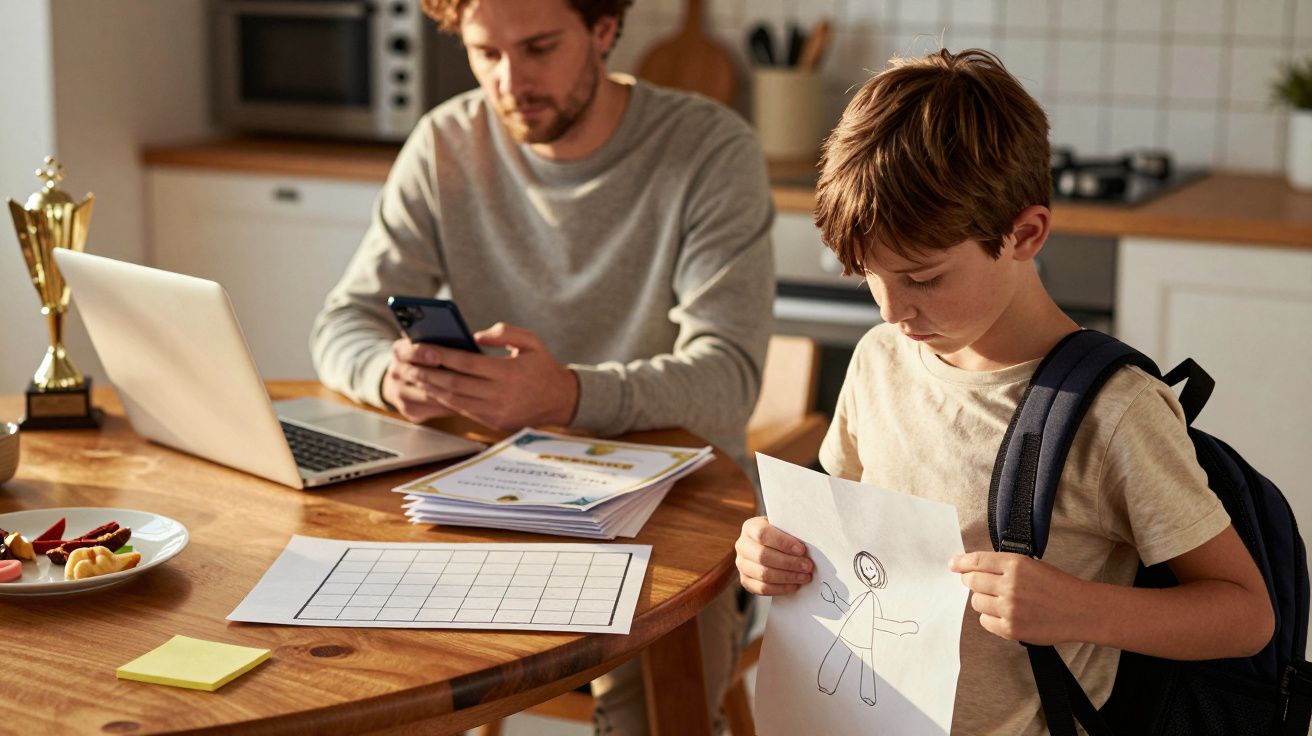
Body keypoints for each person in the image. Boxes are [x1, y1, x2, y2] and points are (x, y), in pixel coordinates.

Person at [733, 48, 1274, 734]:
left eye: (923, 278)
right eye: (868, 274)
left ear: (1025, 234)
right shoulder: (879, 359)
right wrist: (773, 551)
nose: (892, 311)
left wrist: (1079, 609)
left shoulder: (1116, 415)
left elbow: (1245, 616)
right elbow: (835, 530)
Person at [310, 0, 774, 731]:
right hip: (484, 503)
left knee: (649, 711)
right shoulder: (446, 142)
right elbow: (343, 322)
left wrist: (568, 395)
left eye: (539, 48)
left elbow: (728, 379)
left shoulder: (709, 149)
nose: (510, 81)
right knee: (349, 667)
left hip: (674, 516)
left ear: (603, 30)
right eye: (486, 53)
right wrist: (385, 374)